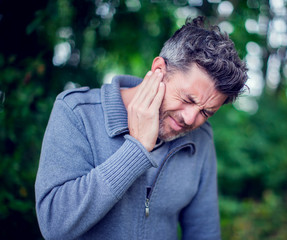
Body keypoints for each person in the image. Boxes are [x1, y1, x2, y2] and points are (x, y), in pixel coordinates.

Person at [35, 16, 248, 239]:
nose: (190, 118)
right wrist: (136, 149)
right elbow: (54, 225)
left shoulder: (201, 138)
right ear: (159, 70)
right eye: (187, 99)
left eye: (206, 112)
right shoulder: (77, 112)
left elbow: (204, 233)